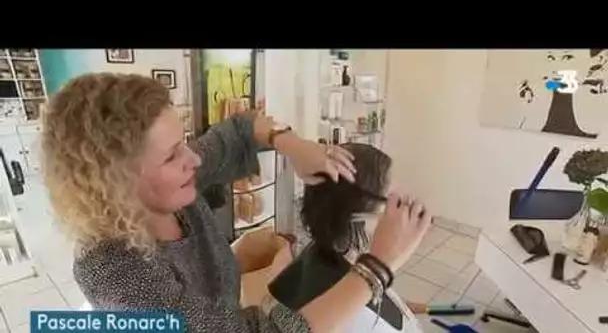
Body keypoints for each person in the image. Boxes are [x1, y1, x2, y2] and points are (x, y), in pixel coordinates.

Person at [40, 72, 432, 333]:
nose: (194, 160)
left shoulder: (175, 190)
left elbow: (239, 131)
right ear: (116, 185)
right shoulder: (115, 271)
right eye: (172, 155)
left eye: (184, 142)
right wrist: (376, 268)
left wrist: (292, 146)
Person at [269, 143, 425, 332]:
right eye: (394, 203)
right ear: (358, 218)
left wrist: (400, 307)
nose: (401, 212)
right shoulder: (354, 321)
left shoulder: (322, 253)